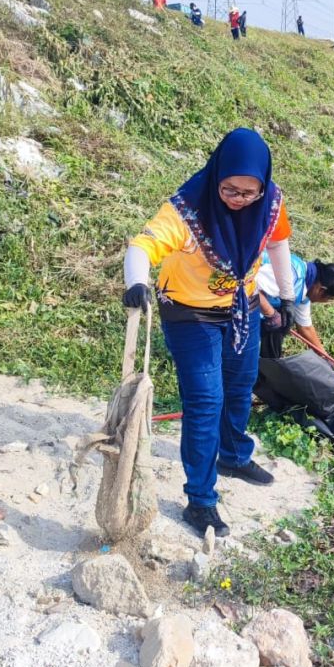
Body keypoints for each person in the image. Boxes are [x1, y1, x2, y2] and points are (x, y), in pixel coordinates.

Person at [121, 128, 296, 538]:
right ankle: (200, 501)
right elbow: (141, 246)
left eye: (248, 192)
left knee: (240, 386)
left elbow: (278, 245)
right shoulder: (187, 210)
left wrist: (286, 299)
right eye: (230, 190)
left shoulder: (271, 202)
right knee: (205, 403)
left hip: (241, 308)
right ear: (216, 174)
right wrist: (136, 282)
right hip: (189, 314)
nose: (239, 199)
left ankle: (233, 455)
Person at [256, 253, 334, 359]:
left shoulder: (307, 288)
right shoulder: (292, 275)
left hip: (253, 307)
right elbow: (249, 288)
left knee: (283, 320)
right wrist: (271, 314)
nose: (325, 302)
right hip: (237, 295)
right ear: (321, 290)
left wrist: (324, 356)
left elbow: (305, 327)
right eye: (328, 299)